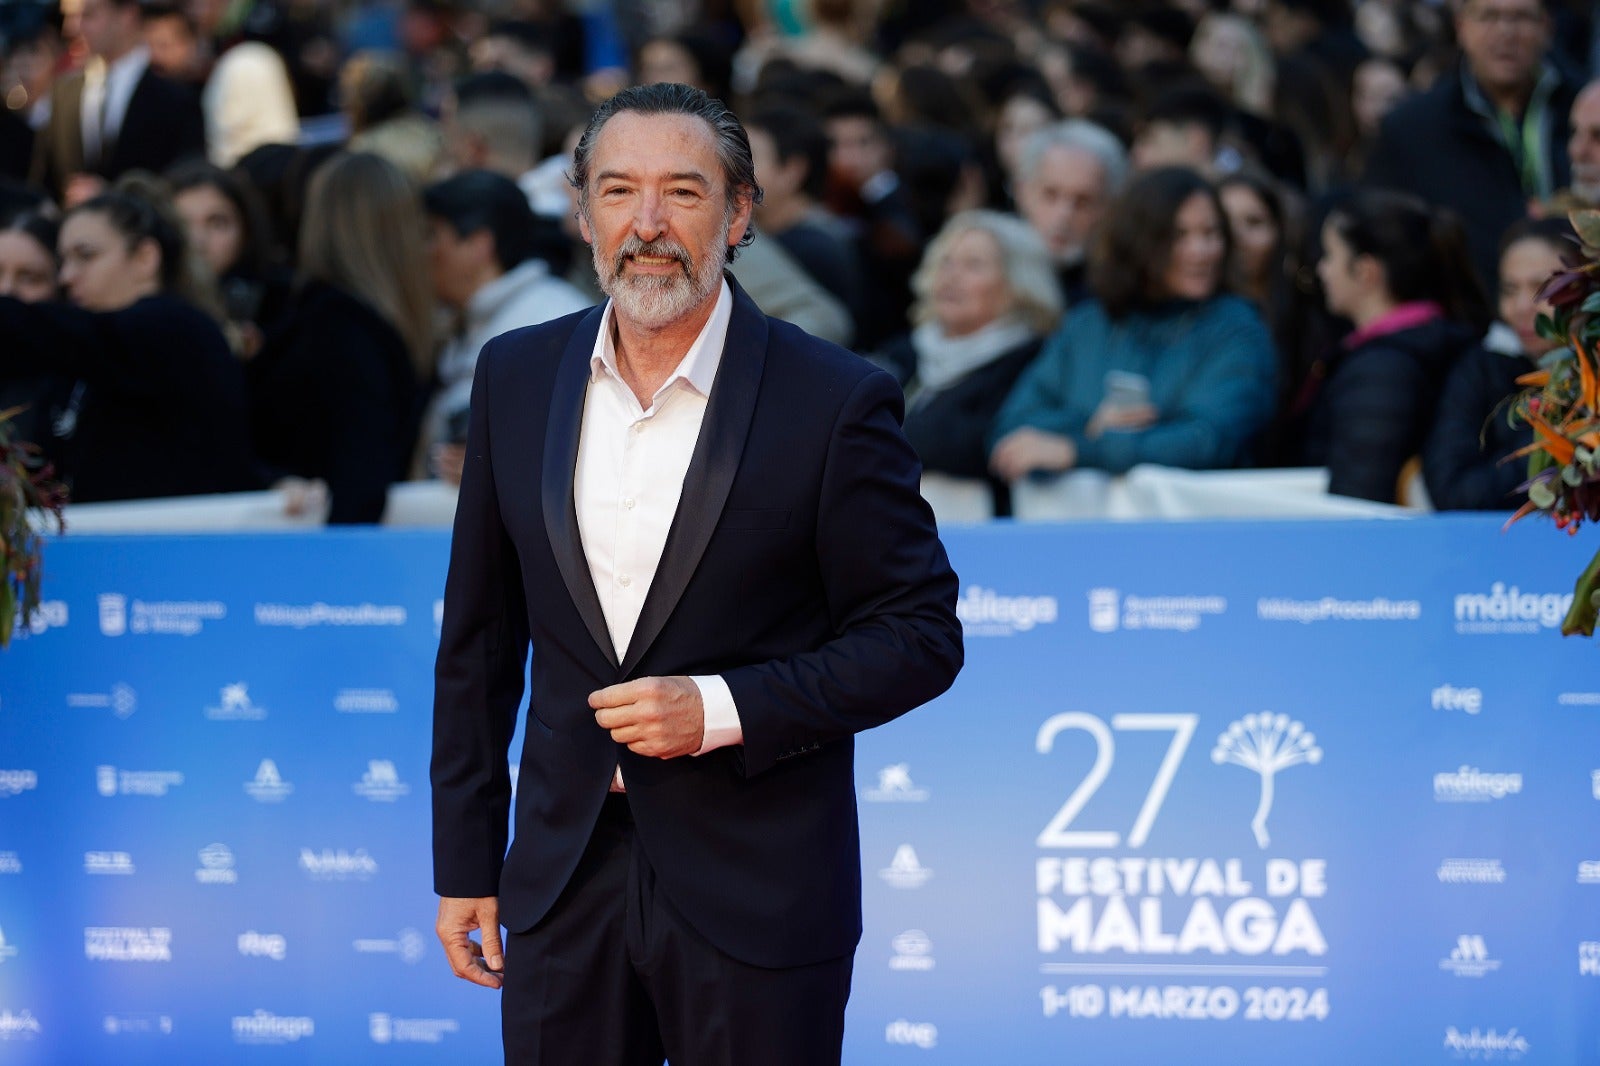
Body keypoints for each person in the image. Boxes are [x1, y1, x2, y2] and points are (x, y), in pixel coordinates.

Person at [430, 82, 963, 1066]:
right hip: (561, 877)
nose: (647, 225)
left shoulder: (835, 398)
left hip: (759, 884)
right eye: (618, 190)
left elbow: (919, 636)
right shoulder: (513, 374)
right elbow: (479, 643)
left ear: (740, 211)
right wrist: (465, 861)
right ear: (580, 212)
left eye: (681, 191)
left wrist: (718, 708)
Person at [989, 166, 1277, 481]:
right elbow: (1012, 429)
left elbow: (1210, 441)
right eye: (1179, 236)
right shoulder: (1087, 325)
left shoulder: (1237, 328)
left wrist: (1083, 449)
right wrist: (1088, 427)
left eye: (1211, 233)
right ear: (1139, 241)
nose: (1201, 251)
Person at [0, 183, 256, 502]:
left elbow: (46, 332)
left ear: (145, 258)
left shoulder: (174, 329)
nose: (67, 276)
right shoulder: (89, 354)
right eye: (63, 261)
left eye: (85, 256)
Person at [248, 152, 433, 524]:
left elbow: (361, 471)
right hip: (321, 555)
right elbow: (361, 472)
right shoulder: (345, 327)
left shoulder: (335, 323)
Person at [1363, 0, 1578, 290]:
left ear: (1547, 26)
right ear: (1461, 26)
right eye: (1489, 16)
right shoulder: (1411, 130)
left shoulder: (1586, 111)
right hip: (1464, 326)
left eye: (1522, 17)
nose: (1506, 32)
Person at [1298, 189, 1491, 503]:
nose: (1322, 269)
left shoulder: (1382, 372)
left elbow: (1359, 496)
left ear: (1365, 272)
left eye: (1330, 255)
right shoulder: (1415, 345)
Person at [871, 209, 1062, 515]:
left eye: (973, 265)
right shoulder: (905, 352)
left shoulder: (1032, 358)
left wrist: (881, 434)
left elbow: (978, 444)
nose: (951, 276)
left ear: (1017, 284)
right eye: (946, 262)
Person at [420, 168, 589, 482]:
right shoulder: (468, 323)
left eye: (432, 236)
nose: (423, 253)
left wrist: (501, 470)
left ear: (479, 245)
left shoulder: (552, 318)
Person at [1425, 217, 1573, 509]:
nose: (1521, 307)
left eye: (1542, 288)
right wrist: (1556, 439)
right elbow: (1451, 489)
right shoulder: (1481, 368)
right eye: (1509, 290)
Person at [29, 0, 206, 203]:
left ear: (127, 16)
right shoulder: (62, 93)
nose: (72, 28)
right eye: (68, 17)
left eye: (88, 15)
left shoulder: (177, 99)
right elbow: (44, 182)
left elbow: (187, 185)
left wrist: (117, 196)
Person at [1012, 118, 1128, 305]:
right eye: (1051, 195)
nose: (1064, 215)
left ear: (1109, 209)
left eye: (1083, 202)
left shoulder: (1113, 297)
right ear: (1022, 192)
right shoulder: (985, 276)